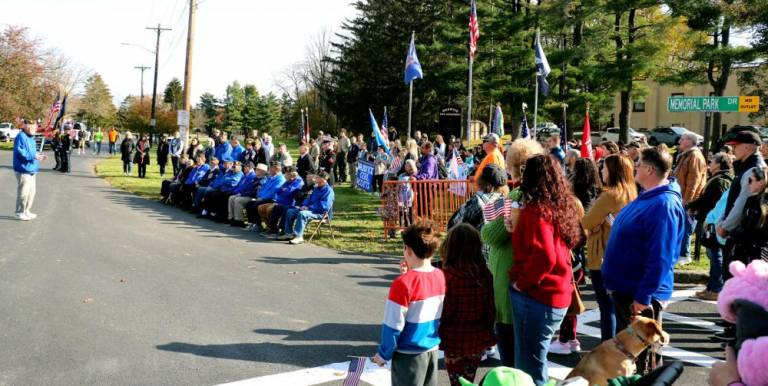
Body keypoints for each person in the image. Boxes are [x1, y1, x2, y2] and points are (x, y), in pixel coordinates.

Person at [601, 147, 685, 375]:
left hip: (638, 294)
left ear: (649, 169)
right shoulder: (650, 197)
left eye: (638, 164)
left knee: (639, 358)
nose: (635, 167)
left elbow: (661, 256)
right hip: (628, 289)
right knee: (628, 356)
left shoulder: (663, 204)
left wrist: (643, 297)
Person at [507, 154, 583, 386]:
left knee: (529, 366)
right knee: (534, 361)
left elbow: (544, 256)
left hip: (537, 295)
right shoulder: (561, 206)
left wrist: (522, 283)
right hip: (555, 293)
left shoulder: (537, 211)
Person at [479, 139, 543, 367]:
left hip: (510, 283)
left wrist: (489, 226)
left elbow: (491, 235)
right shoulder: (545, 196)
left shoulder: (516, 197)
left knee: (511, 360)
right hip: (534, 285)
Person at [371, 221, 445, 386]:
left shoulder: (402, 283)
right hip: (432, 349)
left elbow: (393, 325)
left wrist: (383, 354)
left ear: (408, 250)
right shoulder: (439, 275)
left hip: (408, 354)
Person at [579, 155, 637, 343]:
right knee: (619, 306)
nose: (601, 172)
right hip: (624, 255)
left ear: (613, 171)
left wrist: (598, 223)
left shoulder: (610, 195)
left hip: (603, 254)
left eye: (604, 168)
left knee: (606, 307)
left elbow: (587, 221)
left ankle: (607, 346)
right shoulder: (632, 192)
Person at [438, 224, 496, 386]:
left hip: (453, 338)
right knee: (469, 378)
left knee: (456, 381)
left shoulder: (447, 277)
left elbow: (446, 312)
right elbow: (490, 309)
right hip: (478, 337)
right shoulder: (485, 275)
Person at [686, 153, 733, 300]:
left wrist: (691, 206)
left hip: (713, 223)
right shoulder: (722, 179)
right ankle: (712, 287)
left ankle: (716, 289)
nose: (709, 164)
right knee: (713, 255)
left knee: (715, 255)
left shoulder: (720, 181)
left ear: (719, 164)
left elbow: (710, 201)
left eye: (712, 162)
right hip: (712, 221)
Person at [673, 132, 708, 265]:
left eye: (682, 139)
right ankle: (680, 253)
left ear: (689, 141)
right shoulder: (686, 155)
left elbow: (695, 180)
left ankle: (685, 254)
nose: (679, 141)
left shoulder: (695, 156)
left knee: (686, 226)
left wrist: (688, 199)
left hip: (688, 199)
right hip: (682, 197)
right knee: (681, 226)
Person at [448, 163, 508, 231]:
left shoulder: (475, 202)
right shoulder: (507, 202)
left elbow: (452, 225)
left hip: (476, 240)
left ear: (486, 184)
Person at [280, 171, 334, 245]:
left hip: (320, 213)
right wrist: (304, 205)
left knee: (302, 214)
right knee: (290, 211)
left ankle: (299, 236)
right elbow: (308, 199)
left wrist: (308, 208)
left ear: (324, 179)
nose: (315, 179)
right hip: (310, 210)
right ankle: (288, 233)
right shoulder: (316, 188)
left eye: (317, 177)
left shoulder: (328, 191)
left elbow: (324, 206)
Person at [13, 121, 46, 221]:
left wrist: (39, 156)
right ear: (27, 127)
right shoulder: (21, 136)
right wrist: (34, 156)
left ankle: (26, 210)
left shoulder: (31, 138)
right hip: (23, 169)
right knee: (24, 192)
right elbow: (20, 152)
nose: (35, 129)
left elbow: (32, 152)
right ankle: (19, 212)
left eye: (36, 128)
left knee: (32, 192)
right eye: (34, 128)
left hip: (31, 168)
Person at [259, 166, 304, 236]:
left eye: (287, 174)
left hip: (291, 204)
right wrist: (284, 190)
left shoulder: (298, 182)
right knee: (275, 208)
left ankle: (282, 230)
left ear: (292, 175)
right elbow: (278, 191)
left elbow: (289, 193)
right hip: (281, 202)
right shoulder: (287, 181)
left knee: (283, 209)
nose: (285, 175)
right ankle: (273, 229)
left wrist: (284, 190)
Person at [245, 163, 286, 231]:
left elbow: (273, 191)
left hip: (272, 199)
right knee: (249, 204)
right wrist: (259, 196)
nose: (269, 170)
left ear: (276, 169)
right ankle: (253, 222)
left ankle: (258, 225)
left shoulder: (280, 179)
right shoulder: (270, 177)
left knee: (256, 204)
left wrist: (262, 198)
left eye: (271, 168)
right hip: (263, 197)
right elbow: (263, 188)